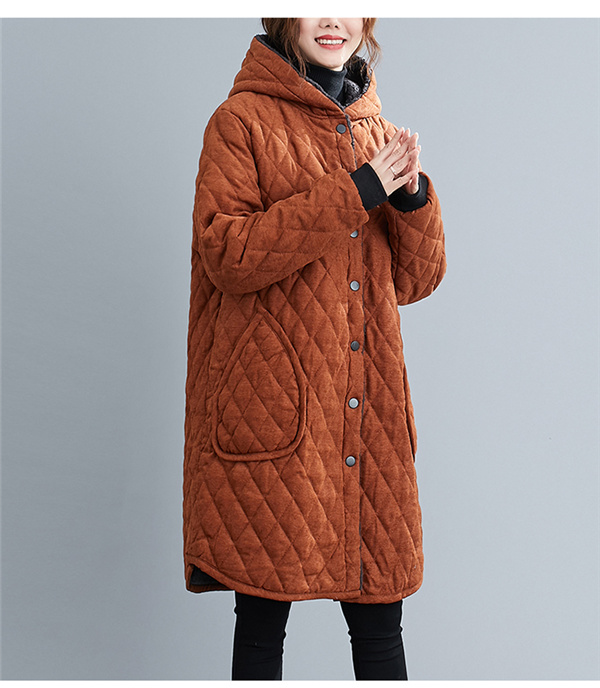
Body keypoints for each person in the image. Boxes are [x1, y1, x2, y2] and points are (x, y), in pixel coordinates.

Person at [183, 17, 446, 680]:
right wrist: (359, 190)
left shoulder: (379, 135)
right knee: (262, 621)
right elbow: (228, 255)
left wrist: (412, 198)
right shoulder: (239, 124)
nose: (332, 19)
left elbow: (415, 282)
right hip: (277, 414)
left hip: (366, 415)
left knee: (380, 625)